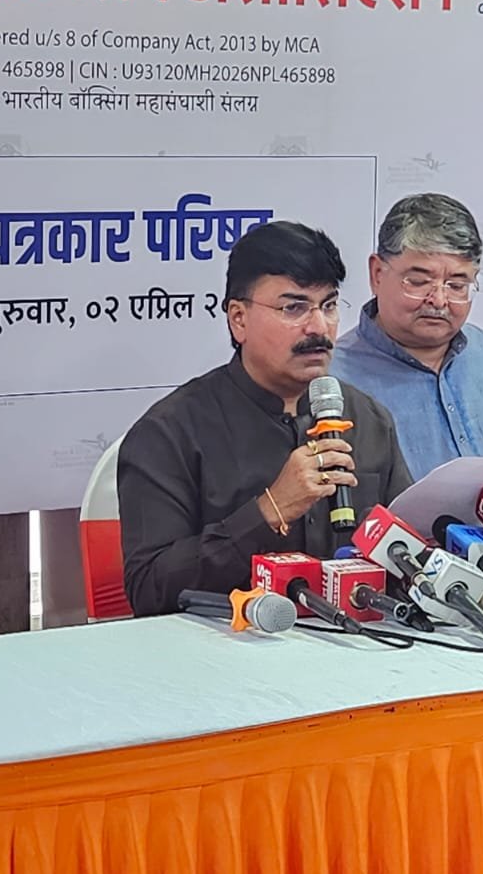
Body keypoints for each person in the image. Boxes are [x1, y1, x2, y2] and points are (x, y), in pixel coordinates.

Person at [118, 221, 413, 616]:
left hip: (361, 642)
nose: (318, 327)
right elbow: (149, 591)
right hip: (225, 646)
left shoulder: (369, 419)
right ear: (238, 319)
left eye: (328, 305)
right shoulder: (169, 433)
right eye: (294, 308)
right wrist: (269, 511)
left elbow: (406, 558)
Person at [330, 193, 483, 495]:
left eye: (457, 285)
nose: (439, 300)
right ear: (377, 274)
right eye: (419, 282)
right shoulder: (331, 380)